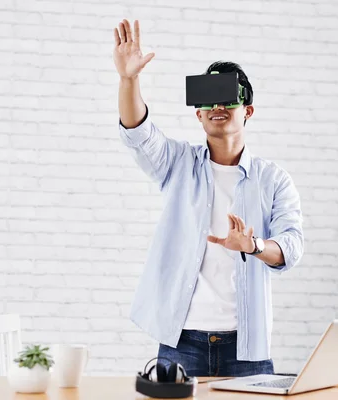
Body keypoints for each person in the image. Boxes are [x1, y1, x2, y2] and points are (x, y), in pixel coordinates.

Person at [113, 19, 304, 377]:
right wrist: (129, 79)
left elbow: (291, 246)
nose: (218, 106)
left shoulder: (273, 179)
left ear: (247, 110)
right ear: (199, 114)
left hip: (247, 346)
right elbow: (138, 134)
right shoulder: (178, 165)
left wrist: (254, 245)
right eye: (209, 100)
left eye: (228, 97)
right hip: (182, 340)